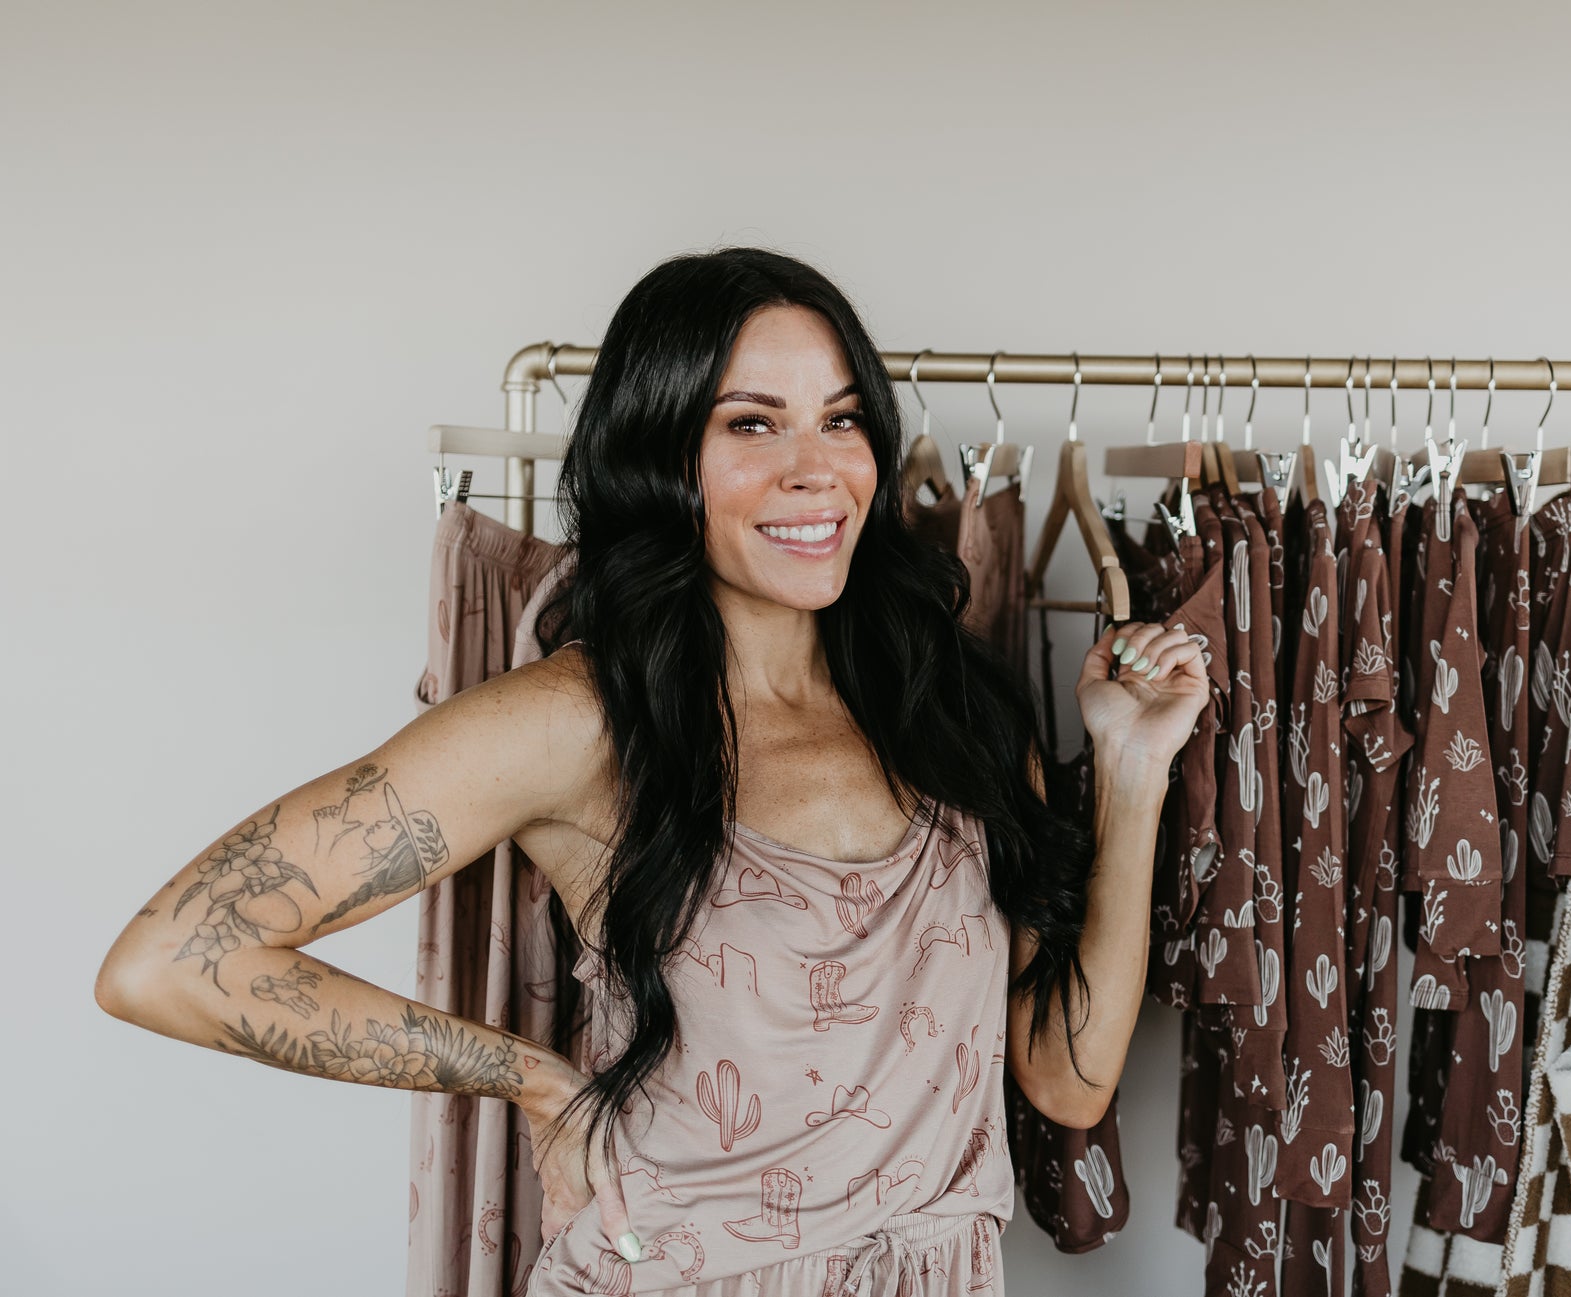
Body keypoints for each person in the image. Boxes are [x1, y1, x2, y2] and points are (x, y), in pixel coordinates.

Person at [94, 247, 1207, 1295]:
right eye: (751, 424)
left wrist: (1130, 763)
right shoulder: (577, 722)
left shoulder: (950, 706)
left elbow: (1066, 1077)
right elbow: (166, 961)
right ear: (662, 457)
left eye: (841, 420)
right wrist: (529, 1076)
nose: (814, 471)